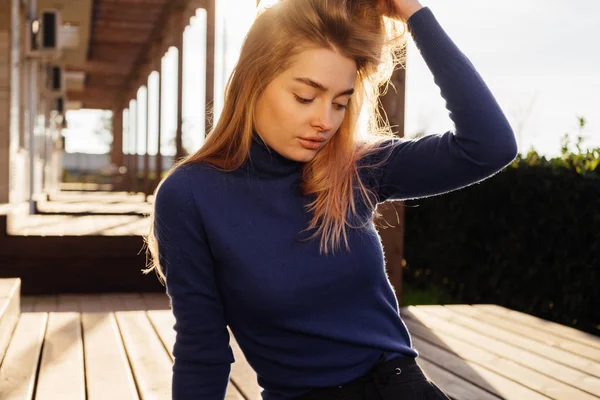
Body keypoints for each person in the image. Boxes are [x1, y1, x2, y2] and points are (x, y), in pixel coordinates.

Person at [145, 0, 518, 398]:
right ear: (252, 82)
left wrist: (415, 15)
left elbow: (489, 146)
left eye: (340, 103)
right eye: (305, 97)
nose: (325, 120)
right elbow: (202, 351)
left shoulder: (356, 168)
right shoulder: (189, 195)